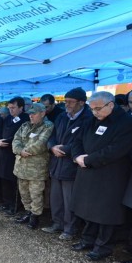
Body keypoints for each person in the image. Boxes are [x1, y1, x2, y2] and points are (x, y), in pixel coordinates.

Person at [70, 91, 132, 261]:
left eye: (98, 109)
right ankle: (87, 239)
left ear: (111, 105)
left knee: (107, 213)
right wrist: (77, 157)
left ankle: (103, 246)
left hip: (111, 176)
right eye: (92, 109)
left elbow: (115, 150)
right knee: (88, 208)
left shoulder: (127, 123)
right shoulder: (92, 120)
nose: (95, 112)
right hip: (88, 171)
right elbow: (76, 141)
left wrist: (89, 160)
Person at [42, 87, 92, 240]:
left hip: (71, 165)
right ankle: (57, 223)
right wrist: (52, 147)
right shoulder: (62, 117)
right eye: (65, 102)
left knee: (69, 199)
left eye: (71, 102)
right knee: (55, 197)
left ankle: (70, 229)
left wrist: (63, 149)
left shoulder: (88, 119)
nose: (67, 105)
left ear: (82, 103)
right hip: (56, 163)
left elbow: (84, 142)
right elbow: (52, 136)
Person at [12, 103, 54, 229]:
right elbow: (15, 140)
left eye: (33, 113)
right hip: (21, 167)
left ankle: (35, 217)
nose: (30, 116)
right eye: (29, 113)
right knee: (24, 193)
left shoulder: (48, 126)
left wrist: (24, 151)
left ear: (42, 113)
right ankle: (28, 212)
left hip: (36, 169)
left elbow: (41, 143)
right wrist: (19, 151)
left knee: (36, 194)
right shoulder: (25, 125)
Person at [0, 97, 29, 215]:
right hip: (3, 153)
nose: (11, 110)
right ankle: (6, 203)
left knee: (13, 181)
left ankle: (15, 205)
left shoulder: (26, 119)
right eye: (9, 108)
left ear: (21, 107)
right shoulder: (7, 119)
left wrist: (6, 141)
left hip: (14, 154)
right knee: (4, 179)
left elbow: (19, 137)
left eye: (13, 108)